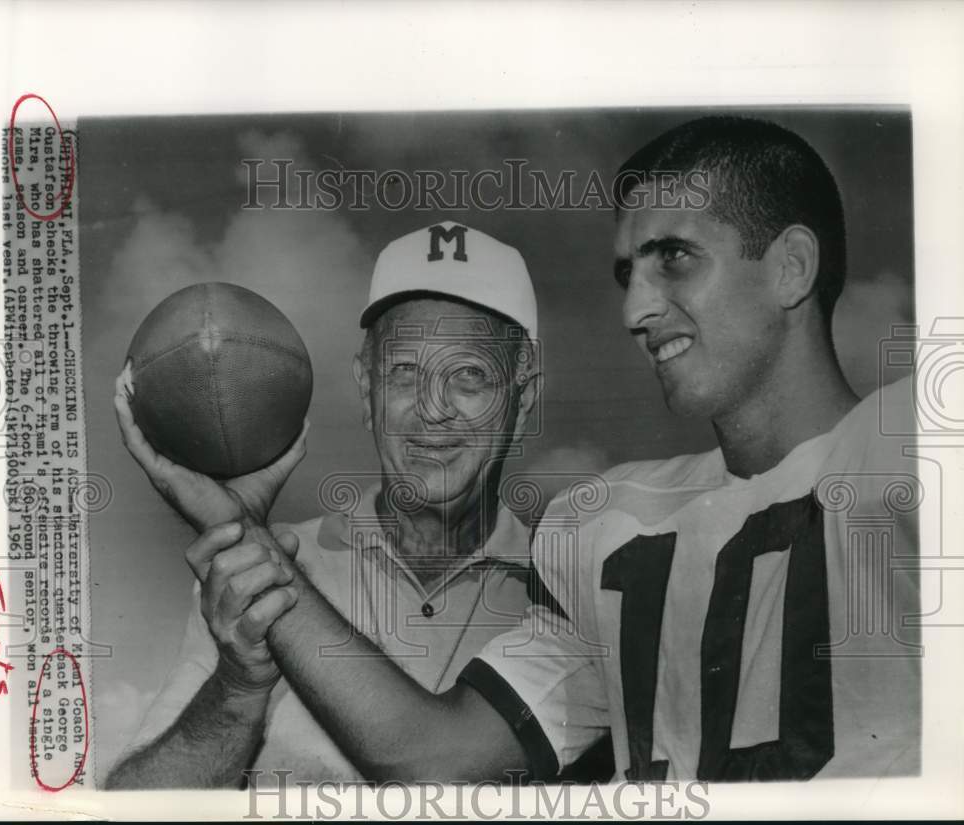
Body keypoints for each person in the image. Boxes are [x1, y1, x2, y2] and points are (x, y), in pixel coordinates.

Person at [117, 116, 920, 785]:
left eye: (673, 257)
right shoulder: (605, 538)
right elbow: (434, 760)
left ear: (791, 267)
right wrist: (249, 557)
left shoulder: (919, 449)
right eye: (625, 273)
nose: (637, 307)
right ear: (362, 385)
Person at [105, 222, 547, 788]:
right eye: (404, 373)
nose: (433, 411)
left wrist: (237, 529)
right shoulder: (260, 563)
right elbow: (136, 806)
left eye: (469, 375)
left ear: (524, 397)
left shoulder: (574, 584)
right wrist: (239, 688)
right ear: (366, 390)